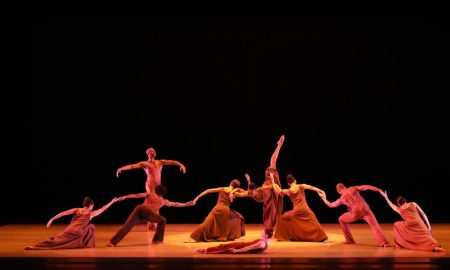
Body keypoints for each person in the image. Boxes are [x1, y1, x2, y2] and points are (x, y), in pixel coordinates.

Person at [116, 147, 186, 230]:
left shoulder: (160, 162)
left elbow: (172, 162)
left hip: (158, 186)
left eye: (153, 151)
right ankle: (152, 222)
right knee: (153, 201)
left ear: (155, 153)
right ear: (147, 153)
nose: (152, 152)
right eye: (150, 151)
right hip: (150, 185)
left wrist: (181, 165)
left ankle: (152, 222)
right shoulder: (144, 163)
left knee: (157, 203)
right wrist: (121, 169)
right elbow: (132, 166)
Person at [232, 135, 285, 237]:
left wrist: (272, 180)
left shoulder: (266, 183)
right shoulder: (254, 192)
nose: (251, 193)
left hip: (270, 189)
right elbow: (244, 192)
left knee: (272, 161)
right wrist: (233, 191)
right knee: (268, 214)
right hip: (266, 196)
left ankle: (279, 144)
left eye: (252, 192)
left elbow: (269, 186)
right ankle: (270, 229)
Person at [107, 185, 193, 246]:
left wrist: (125, 197)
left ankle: (112, 242)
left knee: (127, 226)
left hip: (139, 209)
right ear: (163, 193)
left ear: (155, 190)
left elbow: (137, 195)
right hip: (147, 213)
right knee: (163, 220)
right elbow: (175, 204)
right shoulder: (163, 200)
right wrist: (185, 204)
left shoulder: (149, 194)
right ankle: (157, 240)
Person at [25, 196, 120, 250]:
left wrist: (51, 219)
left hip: (68, 230)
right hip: (78, 232)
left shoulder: (76, 210)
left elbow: (63, 213)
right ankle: (86, 244)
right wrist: (112, 202)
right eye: (93, 205)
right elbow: (103, 208)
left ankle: (35, 246)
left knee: (55, 240)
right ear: (91, 205)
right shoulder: (91, 213)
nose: (93, 207)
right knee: (91, 226)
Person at [319, 183, 391, 247]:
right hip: (365, 209)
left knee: (341, 219)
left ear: (338, 191)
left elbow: (331, 205)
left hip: (355, 213)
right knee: (375, 226)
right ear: (345, 186)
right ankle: (384, 242)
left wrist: (323, 198)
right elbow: (366, 186)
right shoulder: (353, 188)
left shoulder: (341, 198)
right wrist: (379, 190)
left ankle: (349, 240)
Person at [379, 190, 445, 252]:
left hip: (409, 224)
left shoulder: (399, 209)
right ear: (405, 200)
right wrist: (429, 226)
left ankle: (402, 243)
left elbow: (391, 205)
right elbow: (423, 214)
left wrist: (386, 197)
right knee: (425, 235)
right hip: (419, 222)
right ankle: (435, 246)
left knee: (396, 224)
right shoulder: (413, 203)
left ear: (398, 204)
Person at [271, 174, 328, 242]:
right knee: (313, 221)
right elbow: (312, 187)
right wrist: (321, 191)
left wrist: (273, 181)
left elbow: (279, 191)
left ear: (288, 183)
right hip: (305, 209)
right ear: (295, 180)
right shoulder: (301, 186)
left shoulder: (288, 191)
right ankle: (322, 237)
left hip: (296, 211)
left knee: (283, 218)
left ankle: (283, 236)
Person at [194, 230, 272, 254]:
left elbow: (249, 247)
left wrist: (237, 250)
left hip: (240, 246)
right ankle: (205, 250)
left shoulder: (261, 243)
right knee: (223, 248)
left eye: (263, 233)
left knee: (223, 248)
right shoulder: (267, 241)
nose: (261, 233)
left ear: (266, 236)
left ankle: (205, 250)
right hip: (241, 245)